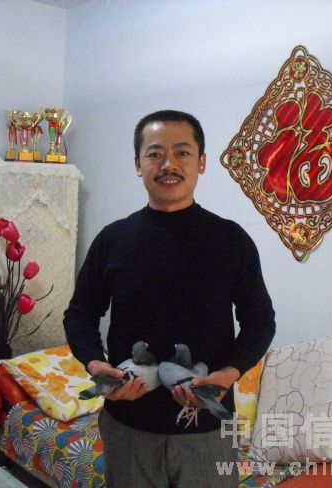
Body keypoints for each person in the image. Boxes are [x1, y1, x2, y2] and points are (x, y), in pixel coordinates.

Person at [63, 110, 276, 487]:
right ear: (138, 164)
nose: (168, 164)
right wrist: (95, 363)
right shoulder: (113, 240)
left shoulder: (231, 240)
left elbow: (260, 321)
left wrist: (228, 375)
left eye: (182, 152)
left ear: (202, 162)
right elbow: (80, 314)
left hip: (208, 428)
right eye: (155, 153)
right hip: (128, 425)